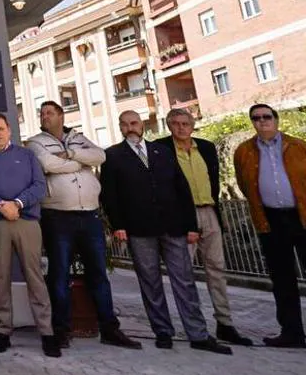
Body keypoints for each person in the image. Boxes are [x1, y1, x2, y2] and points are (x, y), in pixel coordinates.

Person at [99, 110, 230, 355]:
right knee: (150, 282)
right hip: (139, 228)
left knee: (184, 280)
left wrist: (191, 226)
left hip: (173, 226)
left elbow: (183, 189)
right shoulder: (113, 156)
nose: (130, 128)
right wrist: (119, 226)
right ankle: (162, 331)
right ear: (120, 127)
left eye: (134, 123)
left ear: (143, 125)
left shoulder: (163, 152)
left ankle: (198, 334)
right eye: (125, 124)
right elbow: (110, 195)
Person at [25, 100, 140, 349]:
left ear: (61, 115)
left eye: (50, 113)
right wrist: (81, 163)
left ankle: (109, 328)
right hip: (58, 216)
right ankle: (62, 330)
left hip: (89, 216)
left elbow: (100, 155)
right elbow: (47, 164)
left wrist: (71, 154)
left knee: (98, 273)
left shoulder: (79, 138)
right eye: (42, 113)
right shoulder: (36, 142)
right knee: (59, 274)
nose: (45, 116)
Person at [154, 107, 252, 346]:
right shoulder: (161, 149)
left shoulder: (206, 148)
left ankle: (225, 323)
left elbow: (214, 178)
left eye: (185, 123)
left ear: (192, 124)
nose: (180, 127)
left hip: (208, 211)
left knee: (216, 269)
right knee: (183, 273)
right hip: (180, 218)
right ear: (169, 126)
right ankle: (194, 326)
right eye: (175, 123)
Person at [0, 112, 60, 358]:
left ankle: (47, 331)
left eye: (0, 128)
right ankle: (3, 331)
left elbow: (39, 186)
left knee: (35, 275)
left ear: (9, 129)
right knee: (0, 276)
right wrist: (0, 205)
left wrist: (17, 204)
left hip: (25, 221)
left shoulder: (27, 155)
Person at [233, 103, 306, 348]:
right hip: (270, 220)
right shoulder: (244, 151)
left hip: (302, 217)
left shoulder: (298, 146)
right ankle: (292, 333)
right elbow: (245, 185)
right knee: (282, 279)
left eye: (266, 117)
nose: (262, 121)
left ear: (276, 119)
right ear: (252, 122)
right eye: (256, 118)